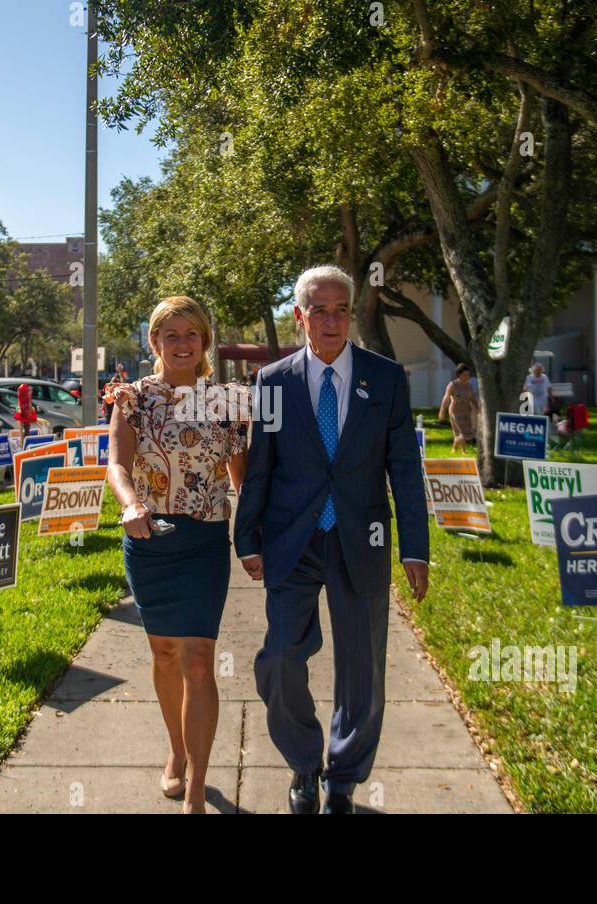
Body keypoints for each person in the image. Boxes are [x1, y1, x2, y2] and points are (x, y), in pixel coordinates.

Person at [234, 265, 430, 814]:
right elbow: (261, 467)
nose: (330, 319)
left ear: (351, 316)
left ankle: (342, 779)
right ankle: (303, 764)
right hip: (291, 542)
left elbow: (404, 471)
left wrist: (415, 548)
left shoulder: (386, 379)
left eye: (340, 309)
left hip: (359, 541)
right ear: (299, 317)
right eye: (317, 310)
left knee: (362, 671)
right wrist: (246, 535)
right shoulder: (272, 381)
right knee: (278, 659)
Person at [107, 296, 250, 814]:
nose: (183, 343)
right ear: (155, 342)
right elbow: (117, 465)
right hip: (150, 541)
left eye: (192, 333)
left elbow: (243, 479)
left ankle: (197, 784)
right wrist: (131, 506)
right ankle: (175, 751)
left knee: (197, 658)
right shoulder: (133, 399)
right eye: (172, 334)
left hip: (205, 543)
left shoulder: (227, 402)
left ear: (205, 342)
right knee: (164, 654)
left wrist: (255, 540)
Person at [438, 363, 479, 452]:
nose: (467, 376)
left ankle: (454, 449)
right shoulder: (453, 385)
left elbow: (472, 399)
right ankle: (464, 451)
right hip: (455, 413)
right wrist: (442, 410)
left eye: (468, 374)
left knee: (466, 434)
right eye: (465, 374)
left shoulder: (469, 386)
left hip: (466, 412)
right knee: (461, 433)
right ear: (459, 375)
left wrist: (478, 409)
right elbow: (446, 397)